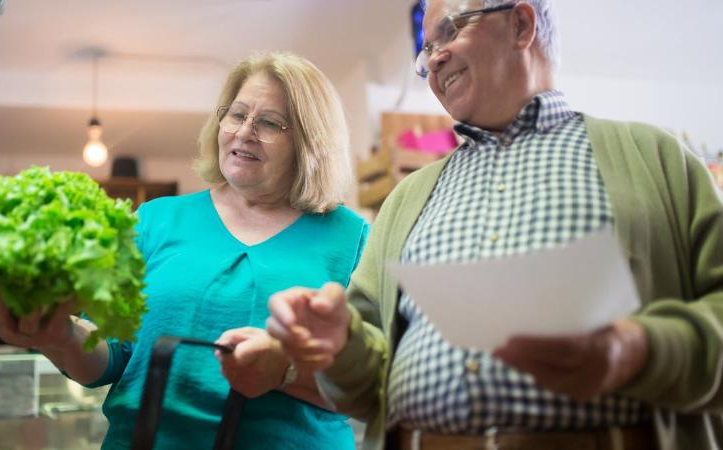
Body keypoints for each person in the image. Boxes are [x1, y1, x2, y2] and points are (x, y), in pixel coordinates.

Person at [266, 1, 723, 450]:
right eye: (427, 51)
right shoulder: (406, 198)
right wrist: (339, 342)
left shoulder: (657, 159)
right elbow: (366, 384)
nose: (434, 57)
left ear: (522, 24)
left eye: (449, 31)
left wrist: (637, 349)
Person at [0, 51, 369, 450]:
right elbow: (111, 356)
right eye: (236, 115)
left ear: (309, 142)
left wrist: (285, 369)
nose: (244, 131)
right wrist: (56, 335)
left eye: (269, 122)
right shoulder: (155, 220)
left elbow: (370, 387)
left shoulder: (352, 239)